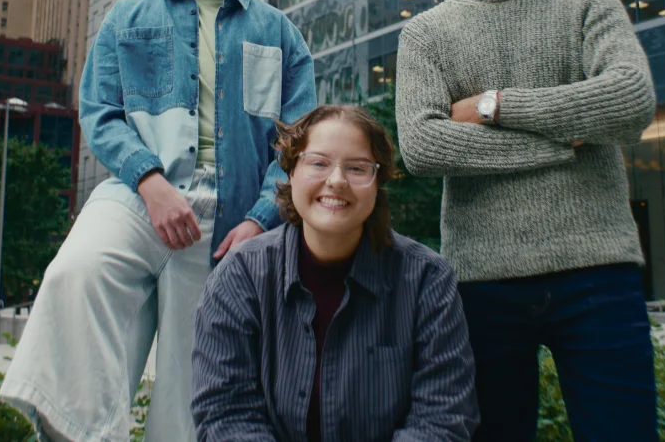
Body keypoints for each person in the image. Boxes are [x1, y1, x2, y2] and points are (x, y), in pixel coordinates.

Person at [0, 0, 317, 442]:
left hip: (232, 215)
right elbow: (100, 112)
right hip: (137, 194)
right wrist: (149, 182)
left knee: (193, 374)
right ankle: (91, 433)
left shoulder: (277, 31)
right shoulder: (129, 17)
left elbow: (298, 141)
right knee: (75, 274)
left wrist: (261, 220)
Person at [394, 0, 658, 442]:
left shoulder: (587, 0)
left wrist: (495, 107)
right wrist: (566, 140)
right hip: (482, 279)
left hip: (598, 268)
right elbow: (423, 147)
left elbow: (630, 101)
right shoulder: (426, 33)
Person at [192, 105, 478, 441]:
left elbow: (442, 419)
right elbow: (225, 414)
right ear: (290, 172)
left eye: (357, 168)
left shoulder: (426, 280)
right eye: (318, 163)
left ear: (377, 183)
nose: (337, 180)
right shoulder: (241, 276)